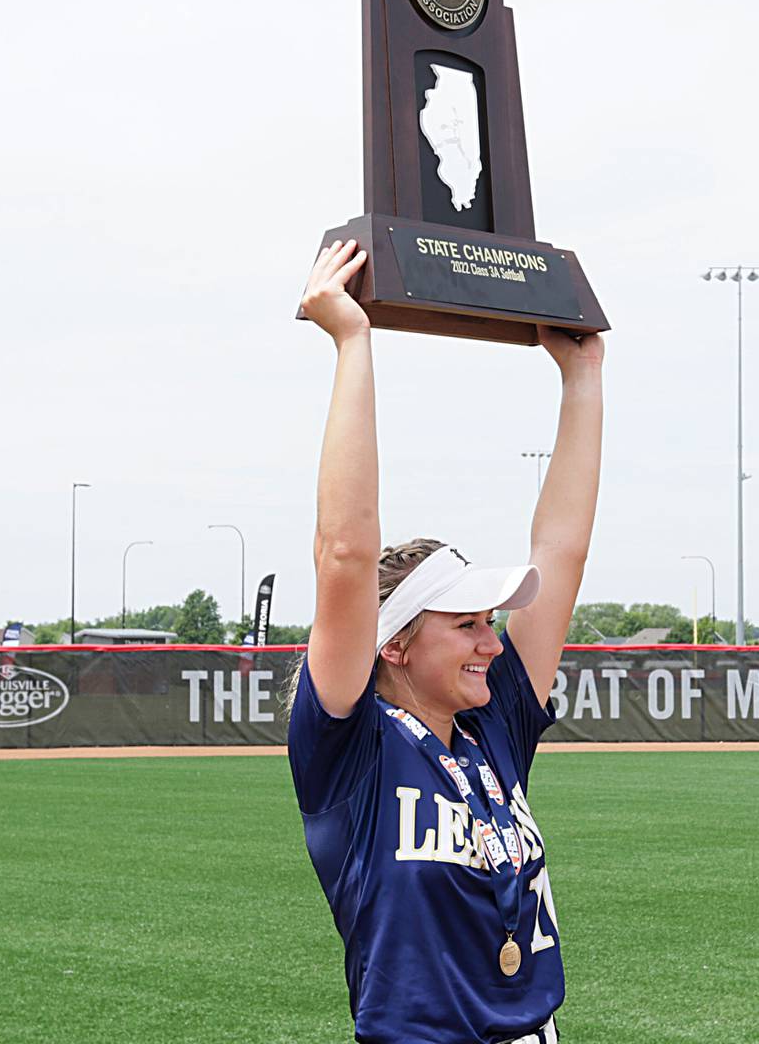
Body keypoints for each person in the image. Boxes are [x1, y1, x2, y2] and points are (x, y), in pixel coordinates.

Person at [288, 238, 603, 1043]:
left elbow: (560, 550)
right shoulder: (350, 748)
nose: (492, 643)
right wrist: (353, 342)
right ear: (392, 645)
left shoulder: (490, 726)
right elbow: (347, 554)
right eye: (465, 624)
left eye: (490, 622)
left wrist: (582, 379)